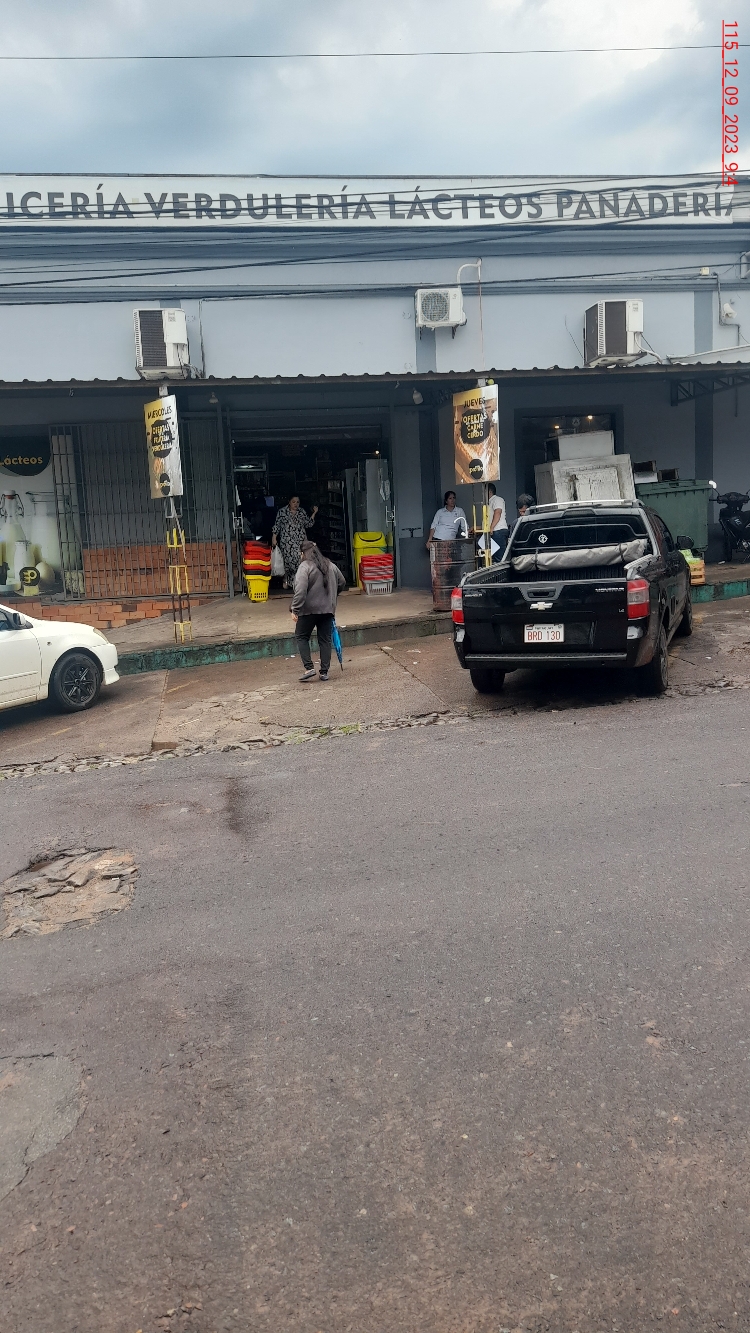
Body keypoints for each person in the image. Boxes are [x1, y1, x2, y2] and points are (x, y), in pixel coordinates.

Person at [291, 540, 346, 682]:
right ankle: (324, 672)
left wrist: (295, 609)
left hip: (308, 610)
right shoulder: (330, 565)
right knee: (325, 640)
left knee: (301, 636)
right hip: (327, 610)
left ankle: (309, 668)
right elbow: (342, 582)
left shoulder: (305, 566)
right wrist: (331, 596)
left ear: (303, 553)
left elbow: (300, 590)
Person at [272, 495, 319, 589]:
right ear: (289, 502)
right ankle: (286, 580)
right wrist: (274, 537)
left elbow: (308, 524)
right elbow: (277, 525)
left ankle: (297, 582)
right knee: (287, 562)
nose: (296, 504)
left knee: (299, 561)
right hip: (287, 542)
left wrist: (314, 513)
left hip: (299, 542)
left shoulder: (301, 512)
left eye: (297, 502)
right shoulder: (282, 512)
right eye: (293, 502)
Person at [487, 483, 509, 563]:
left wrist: (491, 528)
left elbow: (498, 513)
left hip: (498, 531)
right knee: (494, 558)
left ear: (489, 491)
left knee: (500, 558)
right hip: (494, 532)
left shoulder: (497, 499)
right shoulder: (489, 502)